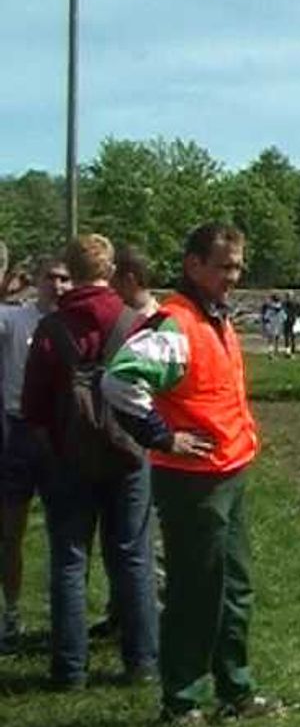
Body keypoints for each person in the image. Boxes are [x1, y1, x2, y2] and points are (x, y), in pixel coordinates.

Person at [102, 223, 280, 726]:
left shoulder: (214, 318)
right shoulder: (175, 324)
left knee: (234, 587)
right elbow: (119, 381)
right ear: (193, 265)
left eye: (238, 266)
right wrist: (161, 436)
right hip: (193, 480)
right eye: (224, 266)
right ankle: (181, 700)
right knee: (194, 591)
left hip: (229, 471)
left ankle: (234, 690)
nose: (234, 276)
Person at [22, 234, 157, 689]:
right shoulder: (132, 323)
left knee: (68, 561)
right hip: (128, 453)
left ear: (72, 271)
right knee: (133, 557)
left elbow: (33, 403)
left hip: (67, 456)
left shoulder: (51, 328)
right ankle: (141, 662)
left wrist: (51, 445)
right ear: (110, 269)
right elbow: (151, 390)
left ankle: (70, 670)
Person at [91, 243, 164, 639]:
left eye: (114, 279)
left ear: (129, 279)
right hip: (119, 439)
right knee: (121, 537)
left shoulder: (155, 322)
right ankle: (122, 610)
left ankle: (153, 616)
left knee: (146, 539)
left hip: (147, 439)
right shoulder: (124, 319)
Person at [0, 254, 72, 654]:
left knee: (66, 532)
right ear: (36, 281)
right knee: (11, 530)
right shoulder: (14, 319)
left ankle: (65, 618)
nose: (58, 286)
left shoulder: (74, 323)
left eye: (65, 279)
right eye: (51, 278)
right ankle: (11, 613)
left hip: (61, 434)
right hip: (19, 431)